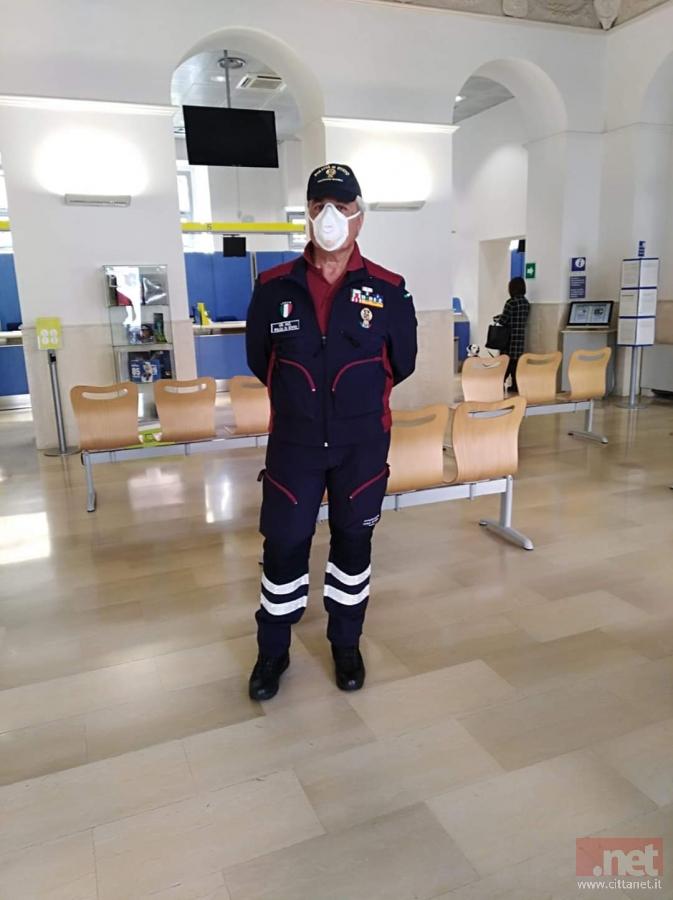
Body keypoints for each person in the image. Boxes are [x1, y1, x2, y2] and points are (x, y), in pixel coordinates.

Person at [245, 163, 418, 700]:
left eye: (341, 207)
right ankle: (272, 652)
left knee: (353, 543)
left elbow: (403, 363)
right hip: (294, 445)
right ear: (306, 215)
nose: (330, 217)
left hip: (360, 447)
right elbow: (259, 359)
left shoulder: (389, 290)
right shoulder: (273, 288)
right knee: (283, 544)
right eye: (319, 206)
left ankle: (346, 644)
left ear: (359, 217)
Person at [496, 276, 530, 392]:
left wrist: (498, 318)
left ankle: (498, 384)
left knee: (505, 363)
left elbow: (503, 320)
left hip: (508, 339)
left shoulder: (511, 302)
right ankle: (515, 386)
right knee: (515, 363)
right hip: (519, 338)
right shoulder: (526, 303)